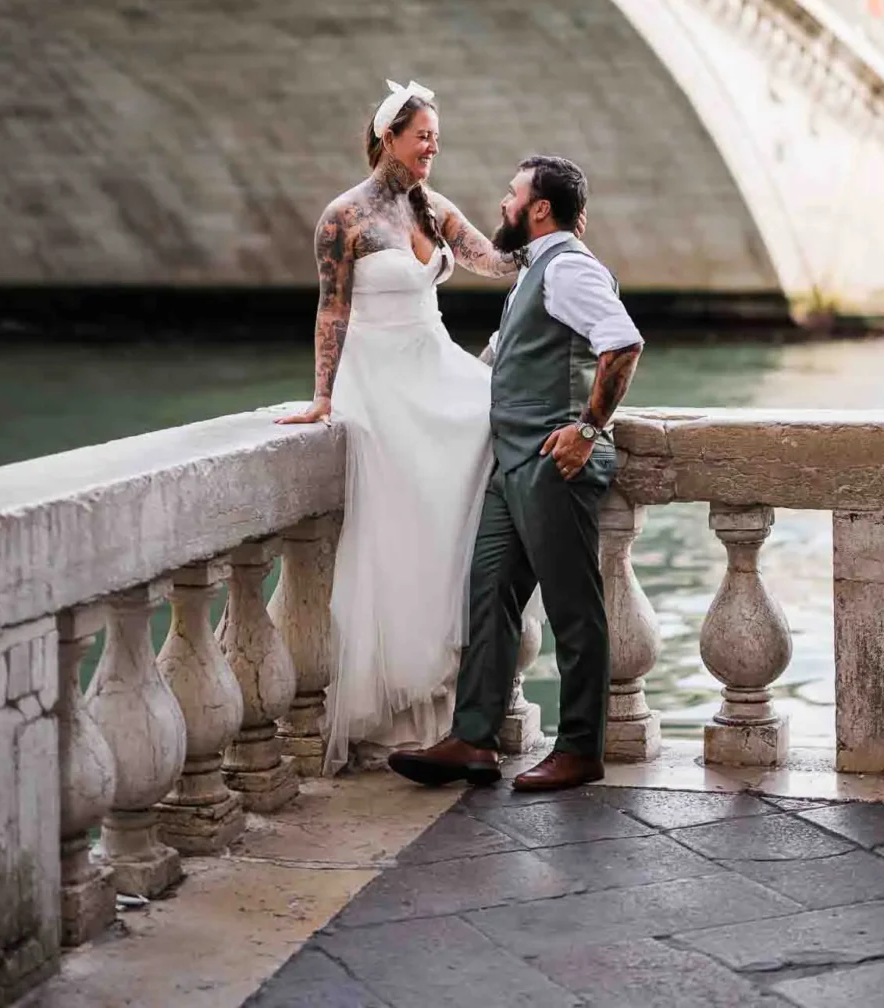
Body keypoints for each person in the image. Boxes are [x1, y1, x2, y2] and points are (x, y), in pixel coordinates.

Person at [275, 79, 524, 774]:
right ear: (390, 137)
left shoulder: (432, 208)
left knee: (488, 445)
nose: (432, 150)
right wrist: (322, 398)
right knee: (403, 528)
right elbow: (331, 310)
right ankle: (404, 710)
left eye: (437, 141)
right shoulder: (342, 217)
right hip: (379, 386)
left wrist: (545, 238)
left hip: (435, 369)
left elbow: (494, 263)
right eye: (423, 138)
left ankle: (449, 703)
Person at [388, 153, 644, 793]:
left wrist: (586, 431)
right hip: (513, 461)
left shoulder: (570, 270)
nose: (502, 203)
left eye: (511, 194)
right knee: (490, 593)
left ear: (538, 209)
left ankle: (581, 747)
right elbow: (499, 363)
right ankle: (472, 740)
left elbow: (623, 342)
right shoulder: (536, 271)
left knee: (572, 607)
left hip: (552, 462)